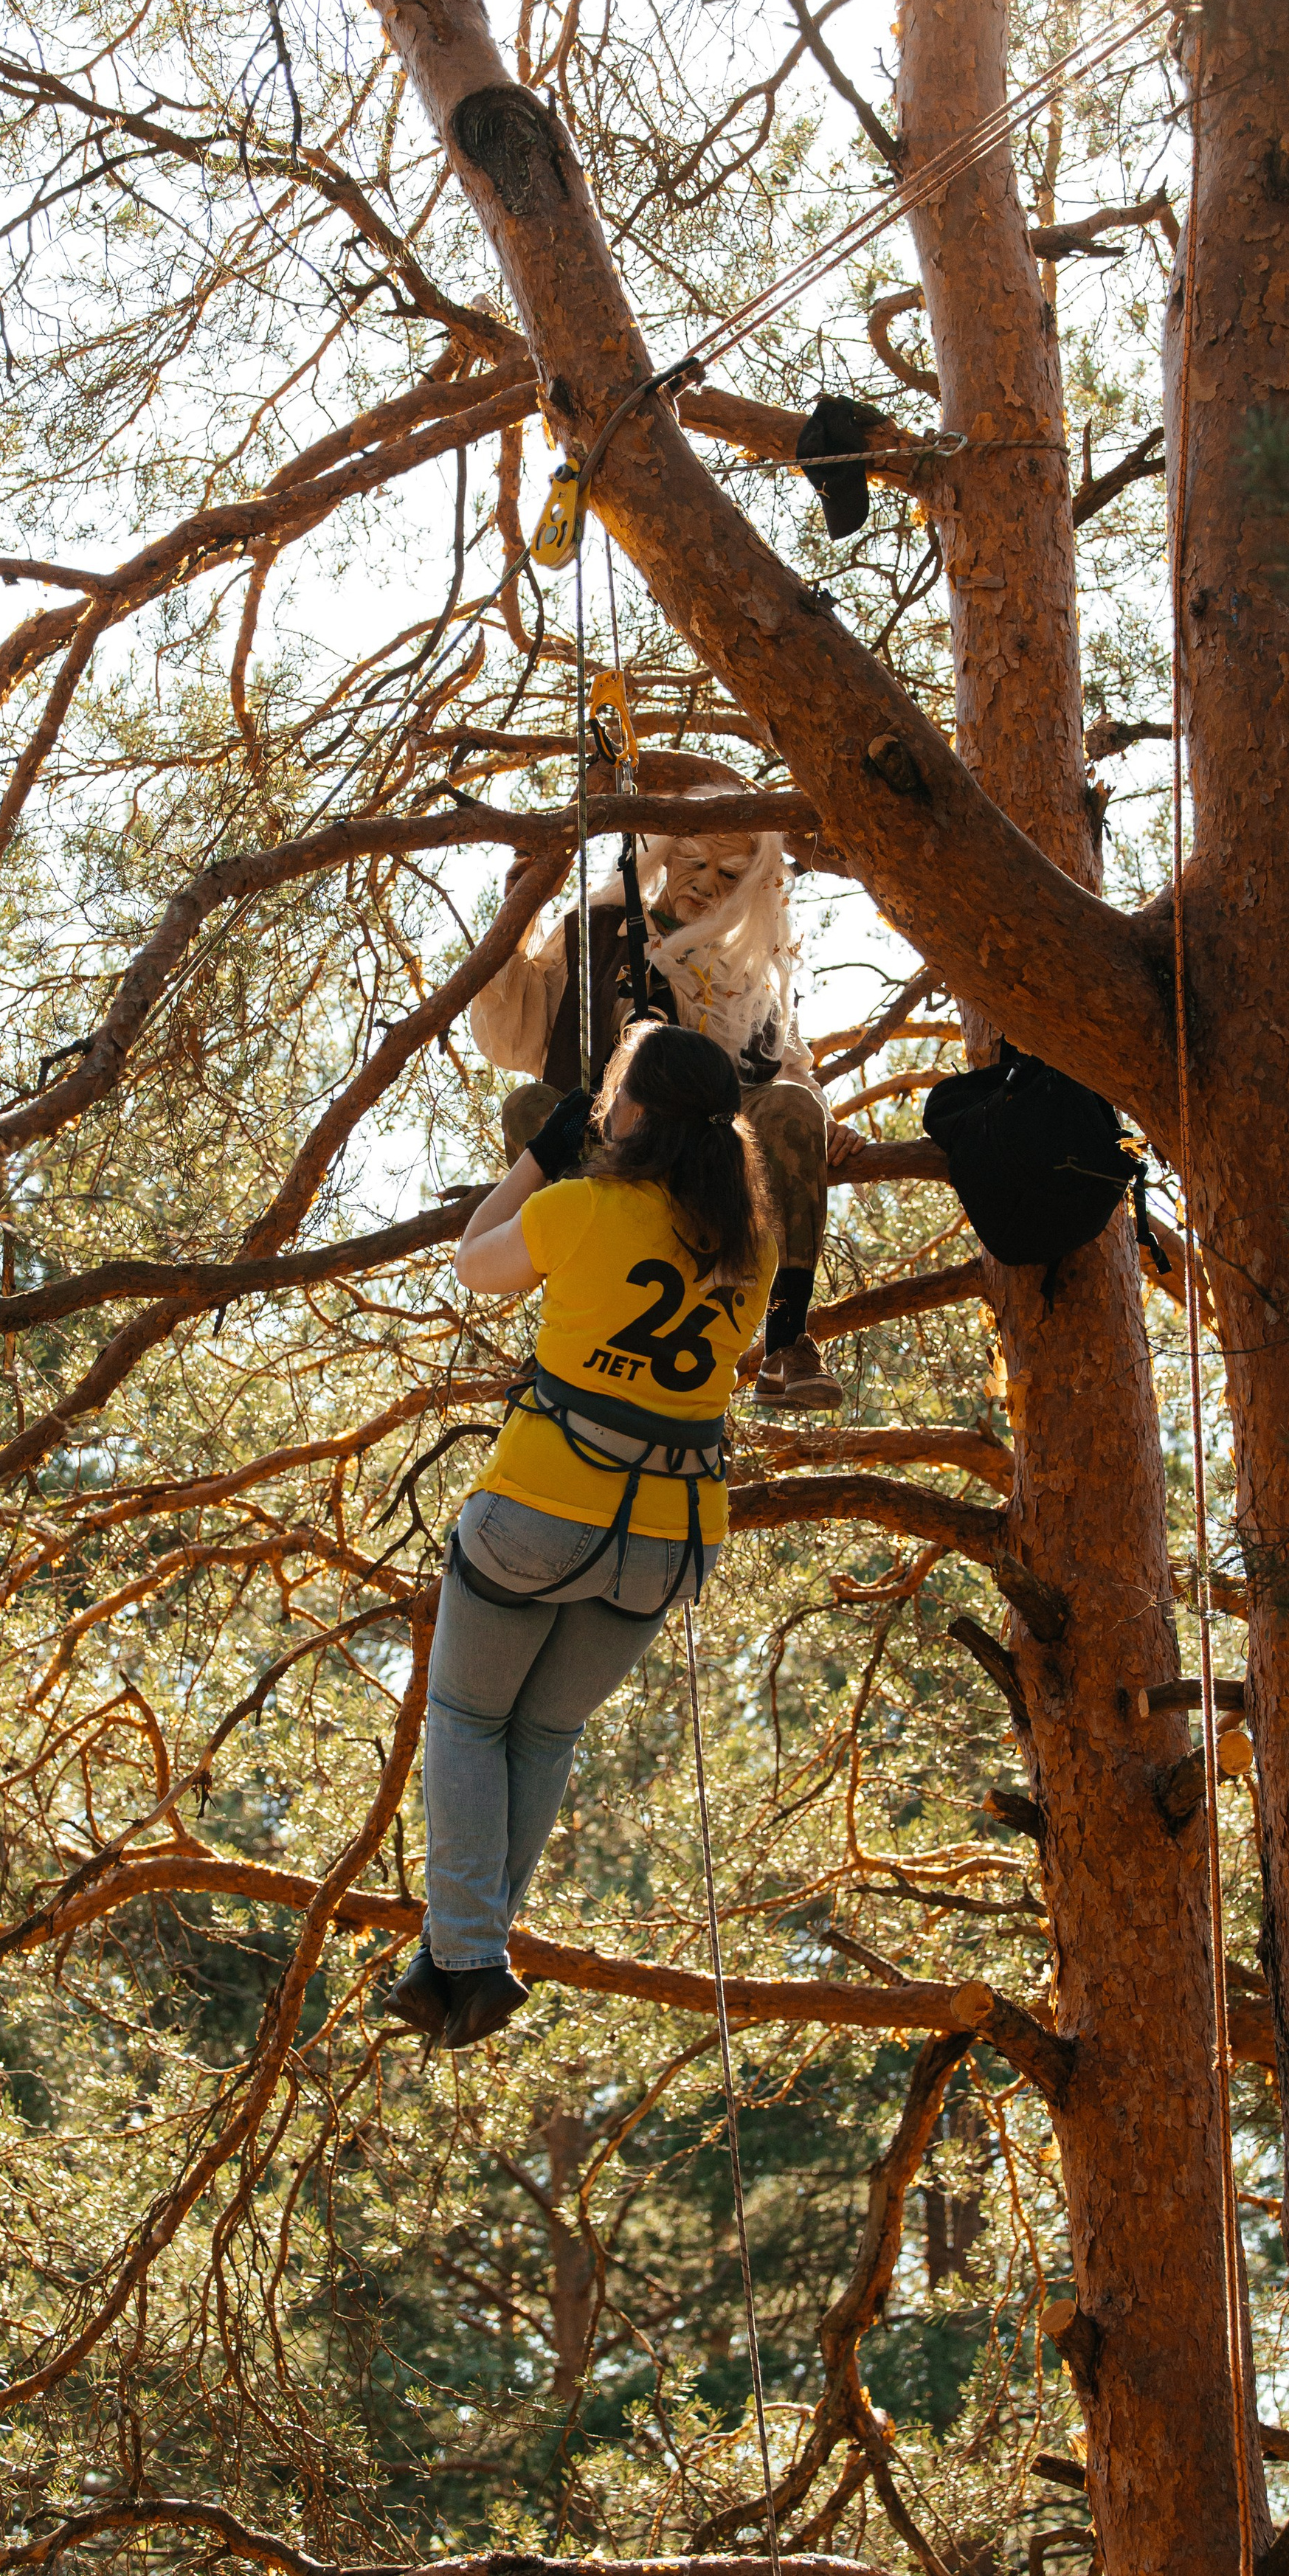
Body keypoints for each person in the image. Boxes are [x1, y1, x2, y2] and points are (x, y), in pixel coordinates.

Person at [385, 1021, 778, 2052]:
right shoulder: (755, 1247)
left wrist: (540, 1155)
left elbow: (474, 1261)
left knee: (468, 1720)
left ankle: (465, 1956)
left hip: (541, 1510)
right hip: (668, 1538)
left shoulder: (579, 1207)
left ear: (633, 1112)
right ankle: (464, 1960)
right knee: (541, 1733)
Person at [468, 750, 858, 1407]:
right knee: (531, 1104)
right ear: (665, 860)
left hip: (716, 1173)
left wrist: (818, 1122)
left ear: (754, 887)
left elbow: (788, 1077)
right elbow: (513, 1032)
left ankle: (787, 1339)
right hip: (612, 1157)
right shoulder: (596, 937)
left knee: (792, 1107)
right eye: (695, 862)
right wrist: (517, 918)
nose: (707, 883)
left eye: (730, 872)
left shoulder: (756, 981)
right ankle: (565, 1297)